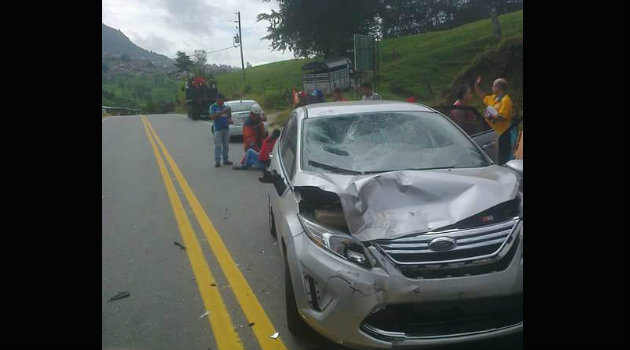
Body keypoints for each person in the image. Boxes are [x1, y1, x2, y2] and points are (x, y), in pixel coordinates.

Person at [475, 76, 514, 164]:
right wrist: (476, 87)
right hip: (493, 134)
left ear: (498, 87)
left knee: (502, 159)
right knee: (494, 158)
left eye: (493, 86)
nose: (492, 88)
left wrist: (490, 117)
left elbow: (503, 117)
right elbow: (483, 97)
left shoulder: (506, 100)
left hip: (502, 135)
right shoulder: (493, 98)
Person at [208, 94, 233, 167]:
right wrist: (222, 112)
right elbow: (212, 117)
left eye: (223, 100)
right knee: (218, 145)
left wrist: (229, 113)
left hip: (226, 128)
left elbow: (229, 117)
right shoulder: (213, 107)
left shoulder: (226, 107)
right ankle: (217, 161)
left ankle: (225, 160)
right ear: (217, 100)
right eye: (221, 100)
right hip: (218, 129)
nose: (222, 102)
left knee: (226, 145)